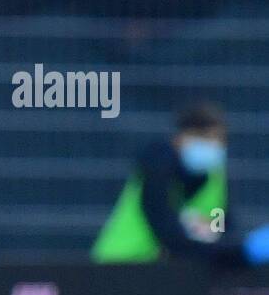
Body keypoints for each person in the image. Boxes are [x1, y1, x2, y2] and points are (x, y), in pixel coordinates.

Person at [93, 102, 269, 266]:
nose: (212, 145)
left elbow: (224, 230)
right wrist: (236, 253)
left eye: (218, 139)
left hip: (177, 275)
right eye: (203, 137)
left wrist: (237, 249)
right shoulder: (156, 168)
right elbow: (168, 233)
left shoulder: (215, 177)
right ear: (179, 138)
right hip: (123, 264)